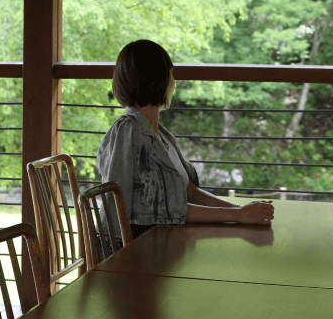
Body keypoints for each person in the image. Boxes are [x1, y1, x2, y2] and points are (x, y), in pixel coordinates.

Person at [97, 39, 275, 239]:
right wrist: (238, 215)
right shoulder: (128, 130)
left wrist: (243, 210)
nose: (174, 81)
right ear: (158, 78)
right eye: (171, 73)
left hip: (163, 241)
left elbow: (192, 193)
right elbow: (165, 210)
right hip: (137, 249)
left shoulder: (161, 135)